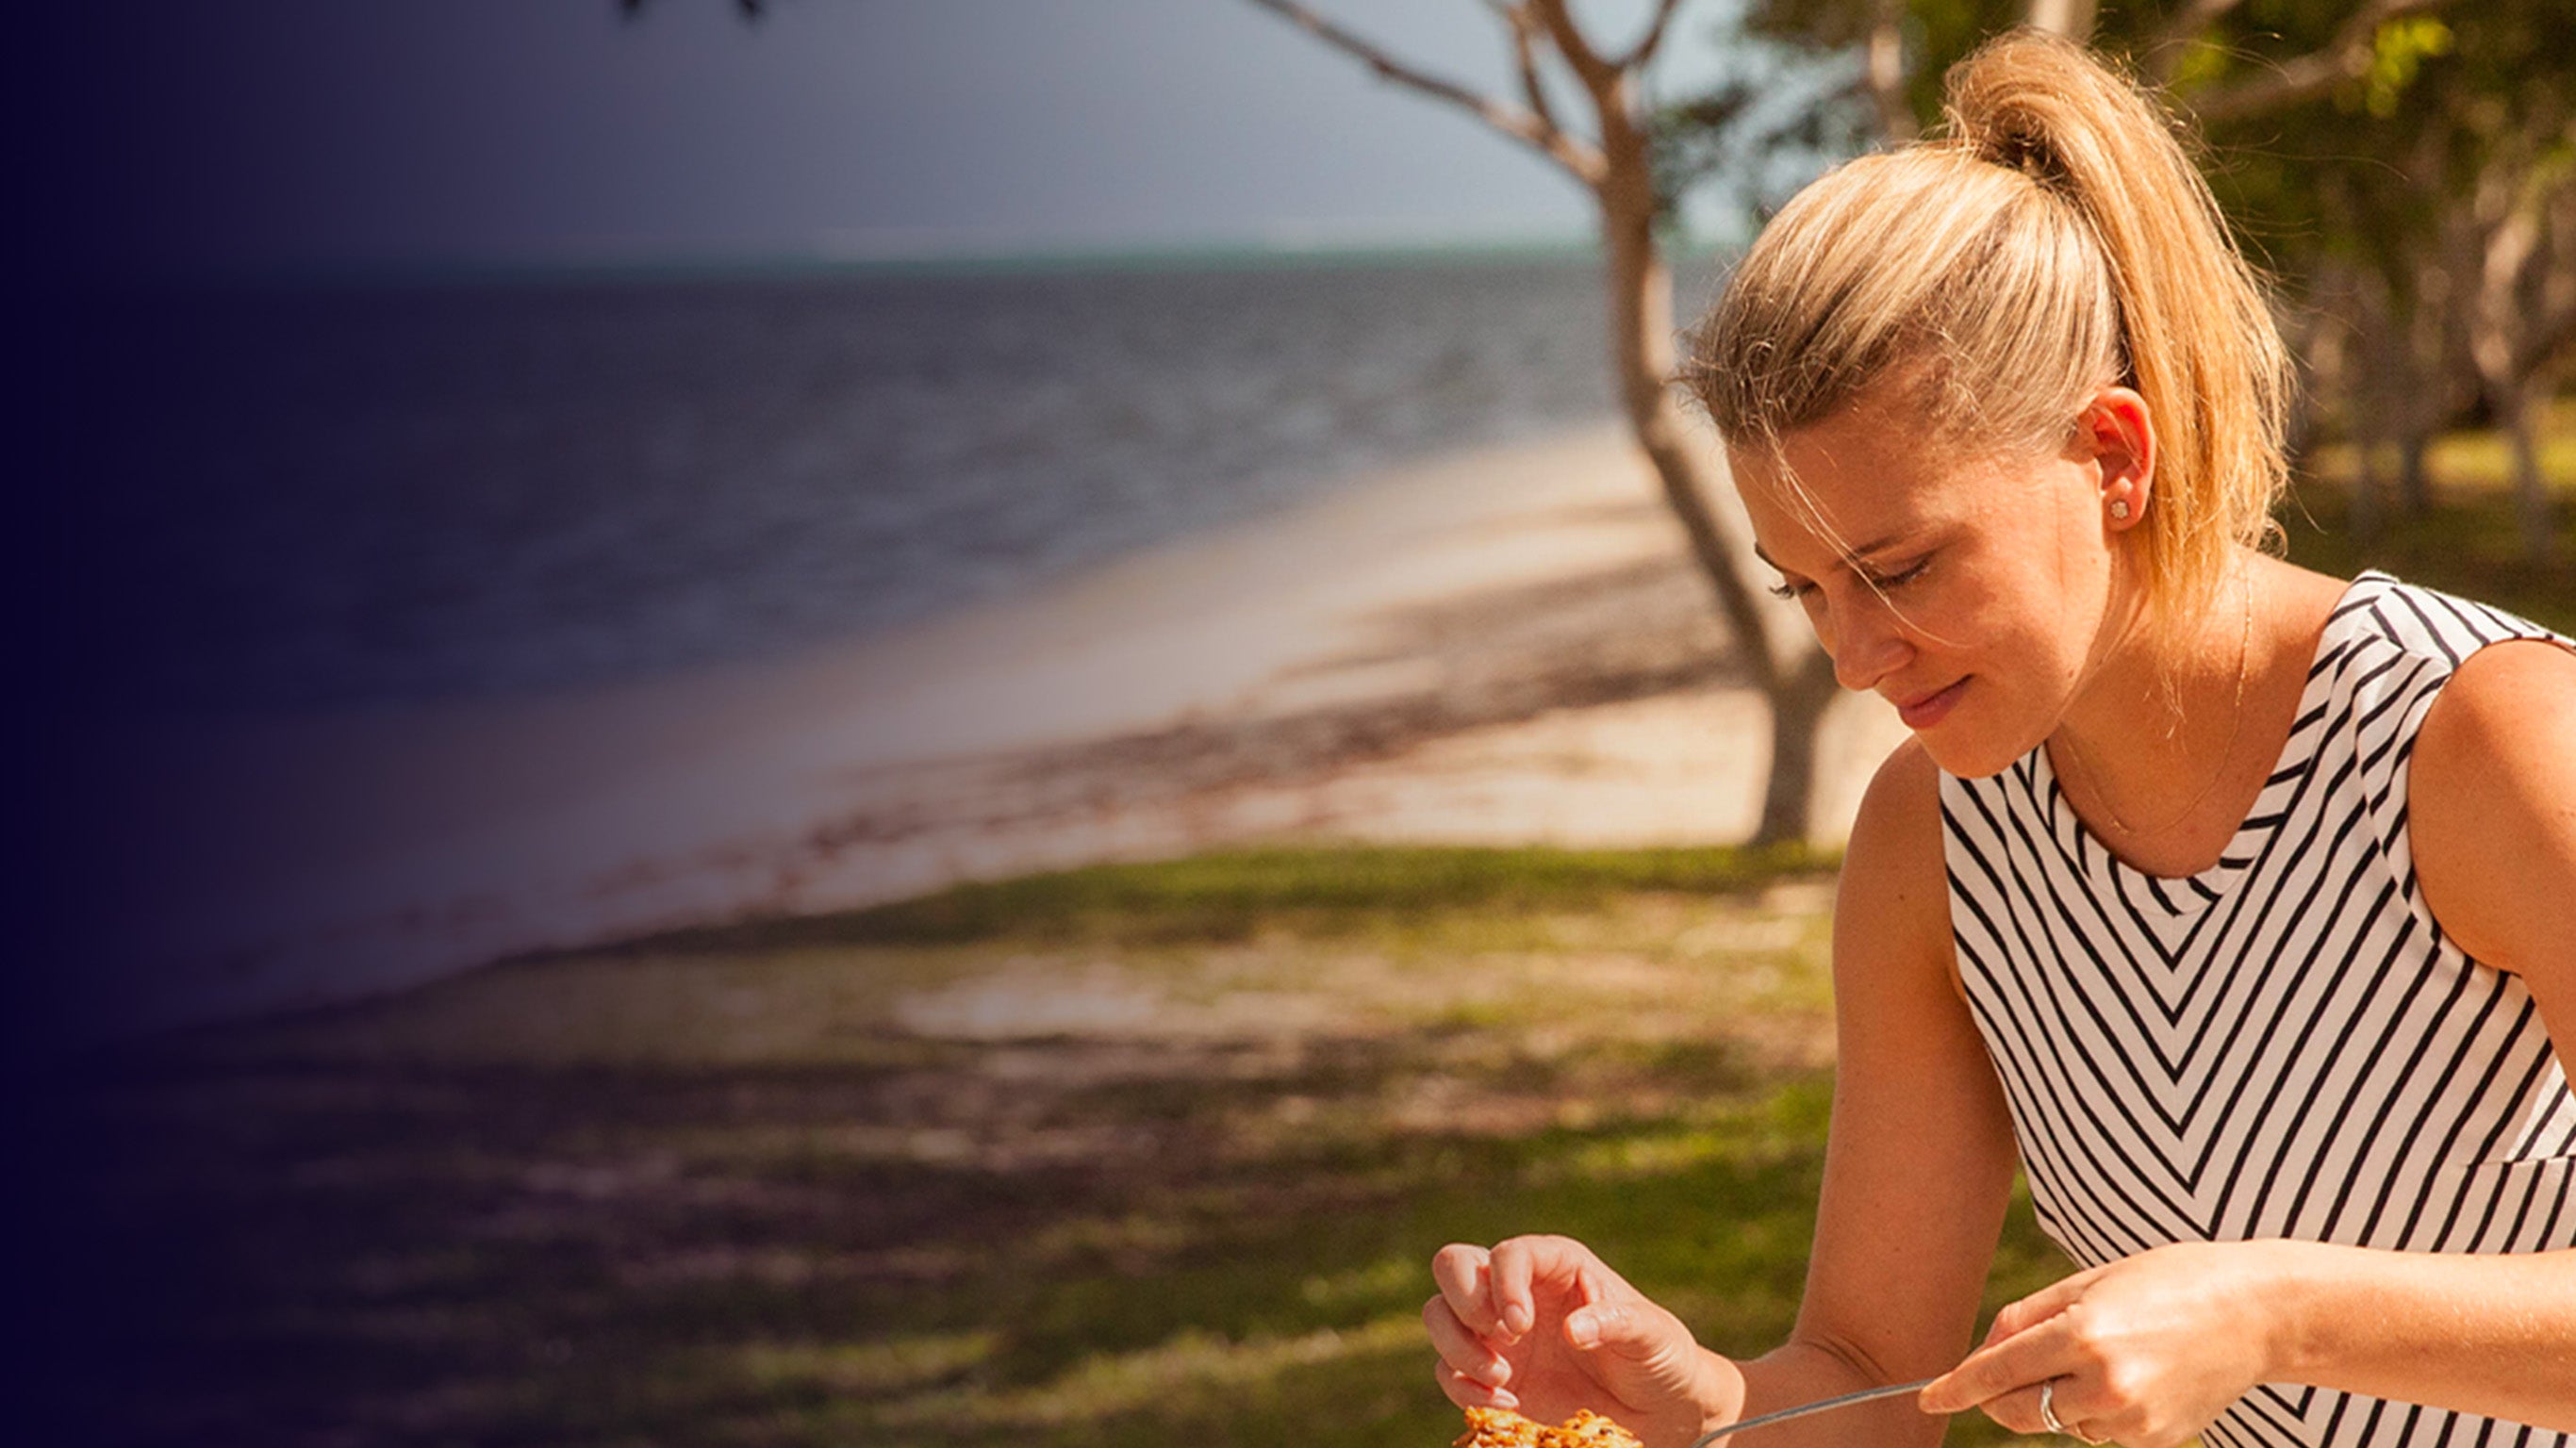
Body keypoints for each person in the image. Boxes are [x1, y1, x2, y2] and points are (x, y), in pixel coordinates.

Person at [1422, 28, 2576, 1448]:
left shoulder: (2488, 738)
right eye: (1806, 589)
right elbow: (1869, 1376)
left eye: (1901, 570)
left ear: (2114, 456)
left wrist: (2275, 1313)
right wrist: (1686, 1397)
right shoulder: (1937, 840)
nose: (1855, 657)